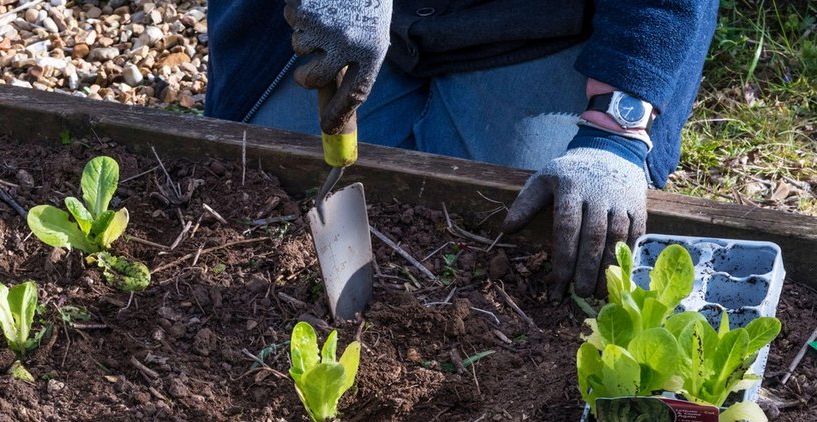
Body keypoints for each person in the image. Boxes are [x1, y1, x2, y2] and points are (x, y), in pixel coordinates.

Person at [205, 1, 720, 298]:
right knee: (264, 183)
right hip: (352, 15)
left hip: (537, 25)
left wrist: (614, 131)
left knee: (526, 234)